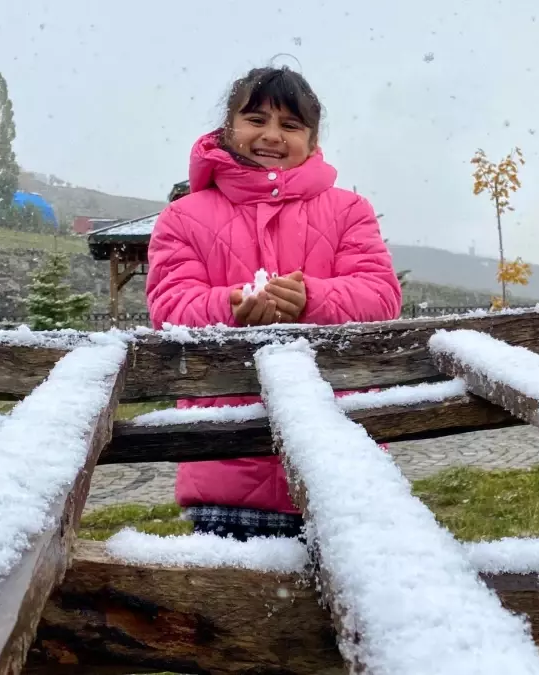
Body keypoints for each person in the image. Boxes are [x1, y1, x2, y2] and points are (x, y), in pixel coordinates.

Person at [146, 66, 402, 541]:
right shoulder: (183, 218)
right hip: (226, 462)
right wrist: (230, 306)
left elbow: (381, 296)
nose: (271, 136)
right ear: (229, 128)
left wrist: (314, 298)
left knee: (355, 605)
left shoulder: (349, 210)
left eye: (290, 125)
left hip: (342, 460)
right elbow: (170, 306)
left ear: (312, 138)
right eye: (256, 119)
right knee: (234, 610)